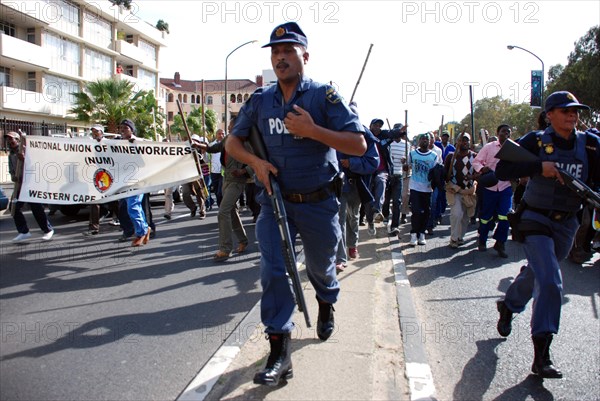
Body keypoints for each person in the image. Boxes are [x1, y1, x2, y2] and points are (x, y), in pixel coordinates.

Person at [224, 22, 366, 387]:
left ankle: (325, 300)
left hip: (318, 203)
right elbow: (232, 144)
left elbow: (359, 146)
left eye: (288, 51)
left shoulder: (323, 96)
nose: (280, 58)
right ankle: (279, 351)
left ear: (305, 55)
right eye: (275, 52)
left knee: (320, 267)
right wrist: (255, 163)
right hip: (274, 202)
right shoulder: (260, 99)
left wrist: (313, 131)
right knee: (273, 270)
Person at [494, 91, 600, 379]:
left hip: (568, 223)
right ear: (549, 114)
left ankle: (509, 304)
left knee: (539, 273)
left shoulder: (591, 144)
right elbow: (502, 169)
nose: (572, 115)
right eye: (565, 110)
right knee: (551, 280)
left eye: (575, 111)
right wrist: (539, 167)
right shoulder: (535, 140)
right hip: (535, 217)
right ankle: (542, 355)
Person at [198, 117, 252, 262]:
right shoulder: (228, 139)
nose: (228, 128)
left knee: (223, 212)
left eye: (231, 126)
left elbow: (256, 160)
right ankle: (243, 240)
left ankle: (225, 249)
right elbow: (214, 148)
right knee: (231, 211)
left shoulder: (247, 141)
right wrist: (199, 145)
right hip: (226, 179)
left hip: (237, 181)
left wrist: (243, 171)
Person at [335, 104, 379, 271]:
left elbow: (373, 162)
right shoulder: (336, 132)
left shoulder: (366, 136)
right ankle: (340, 257)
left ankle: (352, 244)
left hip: (357, 185)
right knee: (338, 220)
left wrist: (351, 163)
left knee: (352, 217)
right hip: (338, 185)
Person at [472, 124, 513, 258]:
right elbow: (476, 161)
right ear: (498, 133)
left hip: (505, 187)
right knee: (486, 217)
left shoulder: (513, 148)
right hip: (489, 187)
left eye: (508, 132)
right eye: (503, 132)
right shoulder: (489, 147)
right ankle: (482, 240)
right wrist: (482, 169)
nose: (506, 134)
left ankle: (500, 243)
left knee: (505, 215)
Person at [7, 131, 55, 242]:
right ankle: (24, 232)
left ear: (18, 139)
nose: (9, 141)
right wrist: (14, 177)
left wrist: (24, 159)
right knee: (13, 207)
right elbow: (12, 171)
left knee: (36, 207)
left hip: (31, 184)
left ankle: (48, 230)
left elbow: (35, 165)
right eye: (8, 139)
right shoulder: (11, 154)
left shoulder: (27, 150)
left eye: (11, 139)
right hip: (20, 186)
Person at [117, 119, 150, 247]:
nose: (122, 131)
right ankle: (145, 228)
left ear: (131, 129)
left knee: (132, 207)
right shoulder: (118, 143)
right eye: (121, 128)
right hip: (124, 181)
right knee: (134, 207)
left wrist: (134, 146)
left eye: (125, 128)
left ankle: (140, 233)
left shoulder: (138, 142)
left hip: (137, 180)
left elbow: (146, 160)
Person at [443, 133, 477, 248]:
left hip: (468, 191)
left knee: (465, 217)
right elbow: (445, 173)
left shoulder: (475, 157)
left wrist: (472, 177)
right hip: (454, 190)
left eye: (466, 140)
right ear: (457, 142)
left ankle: (460, 237)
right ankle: (453, 238)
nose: (464, 142)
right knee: (457, 214)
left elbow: (479, 173)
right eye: (461, 140)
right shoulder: (450, 156)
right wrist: (446, 177)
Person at [407, 132, 438, 246]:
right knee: (416, 211)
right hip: (415, 187)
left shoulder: (434, 155)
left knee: (426, 212)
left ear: (430, 141)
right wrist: (405, 165)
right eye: (422, 139)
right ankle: (414, 234)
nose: (424, 140)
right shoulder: (412, 154)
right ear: (419, 141)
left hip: (427, 188)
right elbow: (407, 166)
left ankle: (422, 233)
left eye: (427, 139)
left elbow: (436, 172)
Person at [209, 129, 225, 207]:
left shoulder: (228, 145)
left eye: (223, 134)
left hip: (223, 172)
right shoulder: (211, 145)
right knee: (216, 191)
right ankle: (220, 206)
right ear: (216, 135)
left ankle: (222, 207)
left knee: (220, 192)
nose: (221, 135)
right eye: (219, 134)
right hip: (214, 172)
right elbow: (208, 159)